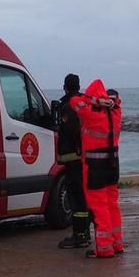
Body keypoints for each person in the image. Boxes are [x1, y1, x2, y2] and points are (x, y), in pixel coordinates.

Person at [70, 79, 124, 258]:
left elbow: (74, 101)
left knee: (99, 207)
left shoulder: (91, 112)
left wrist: (94, 101)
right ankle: (117, 243)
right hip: (112, 165)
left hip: (94, 167)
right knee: (112, 206)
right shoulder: (115, 112)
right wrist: (106, 102)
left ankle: (104, 247)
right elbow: (117, 102)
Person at [56, 74, 91, 249]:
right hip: (84, 159)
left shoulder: (68, 106)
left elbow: (70, 131)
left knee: (77, 199)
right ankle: (85, 233)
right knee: (84, 196)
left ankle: (80, 235)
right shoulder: (84, 103)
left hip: (73, 160)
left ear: (65, 87)